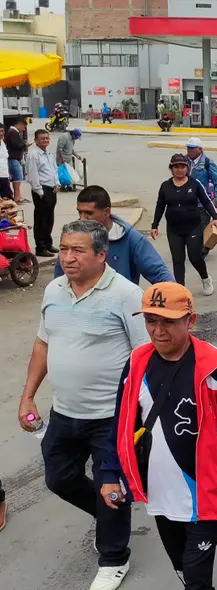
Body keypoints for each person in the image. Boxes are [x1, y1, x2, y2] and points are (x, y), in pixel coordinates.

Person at [99, 282, 217, 590]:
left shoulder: (214, 366)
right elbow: (121, 424)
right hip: (160, 492)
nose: (158, 331)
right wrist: (110, 473)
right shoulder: (137, 363)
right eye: (151, 320)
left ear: (190, 320)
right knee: (182, 568)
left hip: (205, 494)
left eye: (168, 321)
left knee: (196, 577)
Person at [18, 220, 147, 590]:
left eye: (78, 250)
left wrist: (143, 415)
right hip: (64, 412)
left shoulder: (125, 295)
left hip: (111, 416)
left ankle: (114, 557)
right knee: (59, 478)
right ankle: (110, 517)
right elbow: (43, 344)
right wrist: (28, 394)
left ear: (101, 255)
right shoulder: (54, 289)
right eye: (63, 249)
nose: (68, 258)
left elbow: (144, 357)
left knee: (112, 486)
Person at [57, 185, 173, 284]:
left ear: (107, 212)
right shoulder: (71, 238)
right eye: (79, 212)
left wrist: (177, 296)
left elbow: (157, 272)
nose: (82, 219)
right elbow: (60, 278)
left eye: (88, 213)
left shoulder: (131, 239)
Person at [150, 154, 217, 294]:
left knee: (195, 257)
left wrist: (215, 217)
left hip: (193, 227)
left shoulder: (194, 184)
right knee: (178, 260)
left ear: (187, 168)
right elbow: (160, 206)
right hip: (174, 229)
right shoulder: (165, 186)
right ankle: (180, 289)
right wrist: (155, 225)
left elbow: (207, 201)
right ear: (171, 168)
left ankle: (205, 279)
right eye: (176, 166)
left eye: (182, 166)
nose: (179, 170)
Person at [25, 129, 59, 257]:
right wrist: (40, 191)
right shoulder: (33, 155)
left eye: (47, 138)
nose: (45, 140)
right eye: (42, 139)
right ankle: (40, 247)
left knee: (50, 218)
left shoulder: (49, 153)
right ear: (36, 141)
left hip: (52, 188)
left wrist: (57, 183)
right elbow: (33, 175)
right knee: (41, 219)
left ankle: (48, 243)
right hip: (41, 189)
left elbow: (54, 169)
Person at [5, 117, 27, 203]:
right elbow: (16, 145)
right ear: (19, 124)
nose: (24, 129)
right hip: (13, 158)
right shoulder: (13, 132)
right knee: (18, 177)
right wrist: (24, 145)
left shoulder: (13, 132)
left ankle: (18, 195)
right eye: (24, 127)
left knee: (18, 177)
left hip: (15, 158)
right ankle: (17, 197)